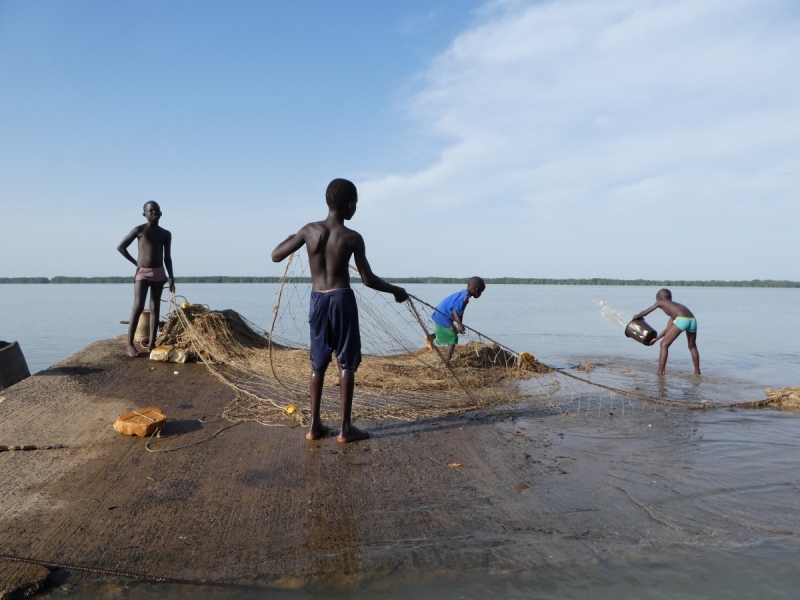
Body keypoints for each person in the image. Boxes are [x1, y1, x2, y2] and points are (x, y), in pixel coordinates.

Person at [271, 178, 408, 443]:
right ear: (348, 205)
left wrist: (295, 236)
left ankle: (314, 427)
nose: (355, 208)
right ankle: (345, 430)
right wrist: (396, 291)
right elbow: (368, 279)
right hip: (342, 300)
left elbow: (276, 255)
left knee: (318, 362)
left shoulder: (309, 231)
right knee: (346, 362)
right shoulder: (353, 238)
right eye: (355, 203)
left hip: (318, 300)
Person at [117, 201, 175, 357]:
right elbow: (121, 247)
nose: (154, 213)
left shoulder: (165, 234)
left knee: (155, 307)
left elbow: (167, 258)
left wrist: (171, 278)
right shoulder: (139, 230)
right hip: (142, 273)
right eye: (150, 211)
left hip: (159, 273)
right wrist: (136, 263)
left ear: (161, 214)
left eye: (156, 210)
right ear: (145, 214)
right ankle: (129, 345)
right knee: (138, 306)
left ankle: (152, 343)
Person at [633, 288, 700, 375]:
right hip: (692, 320)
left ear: (660, 298)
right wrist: (656, 339)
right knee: (692, 346)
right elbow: (668, 329)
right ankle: (697, 372)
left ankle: (661, 372)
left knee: (664, 345)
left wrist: (637, 316)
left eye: (657, 300)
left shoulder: (661, 302)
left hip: (682, 320)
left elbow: (646, 312)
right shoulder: (676, 309)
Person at [426, 277, 486, 363]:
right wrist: (459, 325)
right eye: (480, 292)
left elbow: (460, 312)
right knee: (453, 338)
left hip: (439, 313)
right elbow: (454, 310)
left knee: (453, 330)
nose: (480, 294)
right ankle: (446, 362)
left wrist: (460, 324)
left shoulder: (463, 293)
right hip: (443, 316)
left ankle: (431, 337)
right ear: (477, 289)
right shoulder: (464, 297)